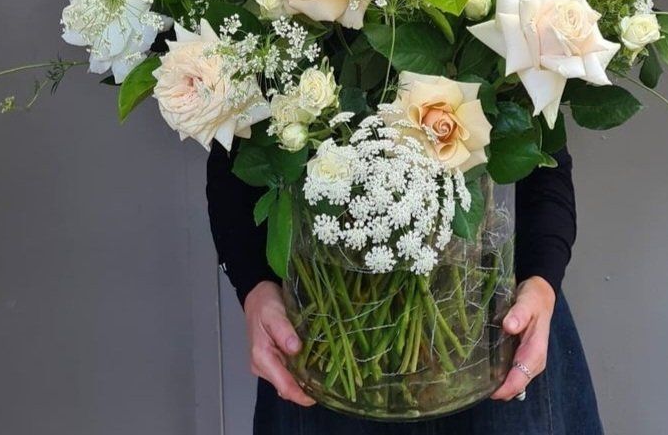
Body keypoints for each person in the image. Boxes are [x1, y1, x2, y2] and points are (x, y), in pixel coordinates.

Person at [207, 139, 604, 434]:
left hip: (489, 334)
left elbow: (540, 145)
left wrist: (542, 283)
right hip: (327, 345)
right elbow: (234, 141)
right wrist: (253, 286)